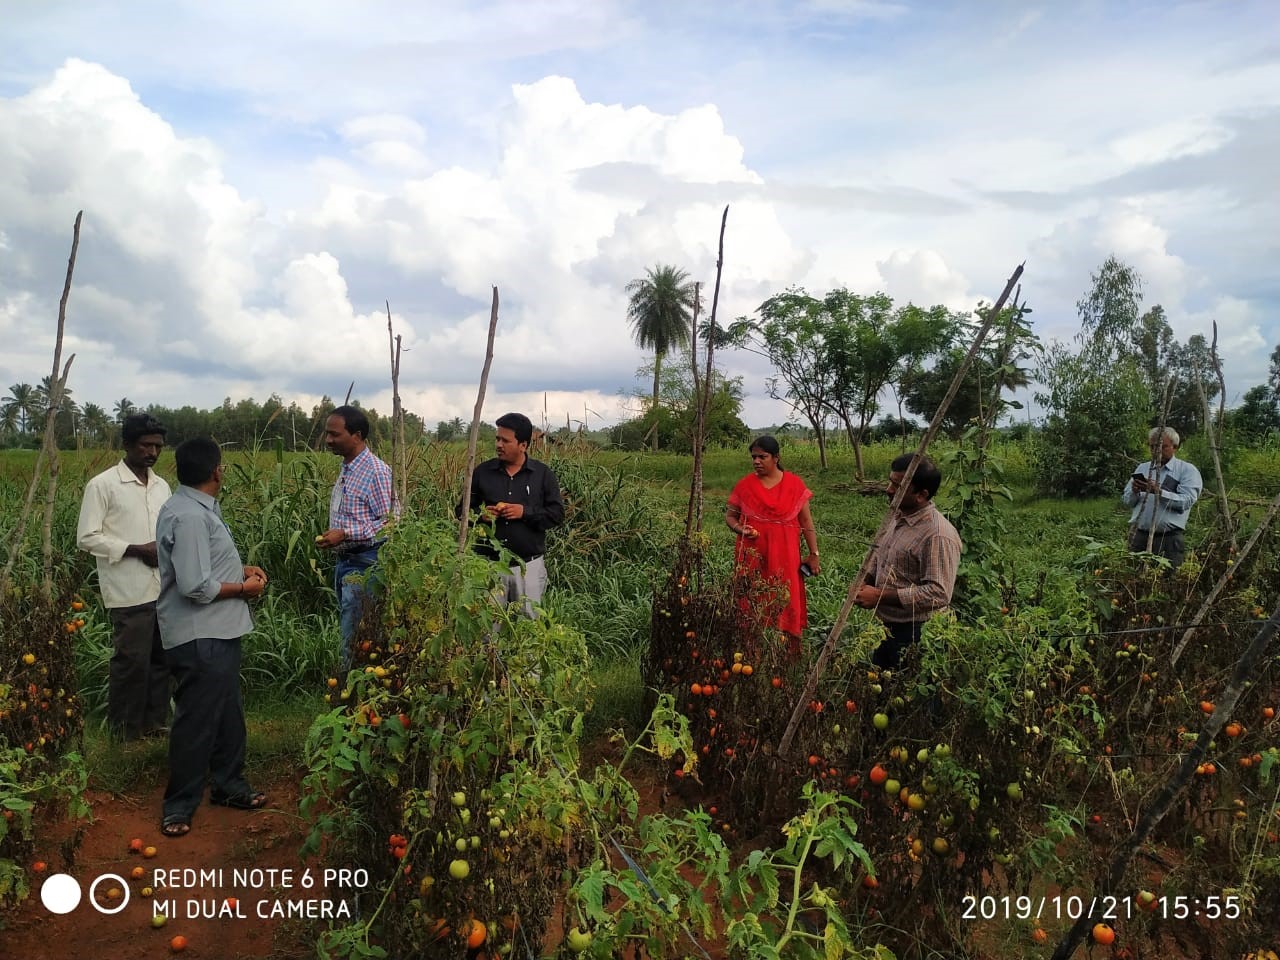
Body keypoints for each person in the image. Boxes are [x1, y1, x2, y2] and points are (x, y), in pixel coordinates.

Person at [155, 438, 269, 836]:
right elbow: (195, 586)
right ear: (216, 471)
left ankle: (229, 785)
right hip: (200, 634)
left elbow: (203, 565)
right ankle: (179, 806)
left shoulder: (196, 508)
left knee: (226, 715)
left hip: (217, 631)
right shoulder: (189, 516)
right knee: (197, 720)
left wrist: (241, 568)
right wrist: (244, 589)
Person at [76, 413, 173, 741]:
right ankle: (125, 734)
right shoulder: (103, 485)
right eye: (146, 445)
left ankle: (155, 725)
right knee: (131, 663)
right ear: (128, 444)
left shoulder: (162, 487)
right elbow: (87, 537)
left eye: (158, 446)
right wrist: (135, 549)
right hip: (129, 588)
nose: (153, 453)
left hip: (163, 587)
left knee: (161, 660)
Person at [855, 453, 961, 669]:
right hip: (885, 627)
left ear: (921, 495)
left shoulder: (937, 535)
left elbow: (938, 593)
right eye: (890, 482)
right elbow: (882, 554)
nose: (888, 489)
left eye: (898, 486)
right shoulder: (898, 516)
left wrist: (879, 596)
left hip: (916, 633)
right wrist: (866, 580)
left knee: (908, 692)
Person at [315, 405, 395, 670]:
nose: (328, 440)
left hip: (366, 564)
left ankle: (351, 696)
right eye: (328, 434)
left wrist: (346, 533)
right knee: (352, 631)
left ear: (357, 436)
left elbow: (391, 522)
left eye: (335, 434)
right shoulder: (347, 468)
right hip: (346, 561)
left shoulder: (376, 472)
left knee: (357, 636)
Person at [725, 436, 819, 656]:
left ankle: (790, 660)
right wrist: (740, 529)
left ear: (776, 458)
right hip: (752, 555)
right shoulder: (745, 485)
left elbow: (806, 522)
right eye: (754, 457)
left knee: (788, 599)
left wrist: (814, 553)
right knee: (751, 601)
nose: (756, 461)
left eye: (762, 457)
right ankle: (750, 655)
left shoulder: (794, 485)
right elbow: (730, 517)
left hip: (786, 556)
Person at [467, 412, 565, 618]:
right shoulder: (482, 473)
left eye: (505, 440)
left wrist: (524, 512)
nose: (499, 445)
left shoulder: (542, 475)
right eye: (497, 439)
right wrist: (481, 516)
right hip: (489, 566)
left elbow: (556, 514)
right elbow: (462, 511)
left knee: (529, 631)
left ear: (523, 445)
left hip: (527, 567)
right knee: (488, 632)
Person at [1122, 426, 1202, 567]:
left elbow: (1187, 501)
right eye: (1152, 447)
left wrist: (1158, 492)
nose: (1156, 451)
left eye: (1162, 447)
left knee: (1167, 581)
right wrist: (1134, 491)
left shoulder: (1186, 470)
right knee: (1133, 577)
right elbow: (1127, 500)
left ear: (1175, 447)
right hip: (1139, 537)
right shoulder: (1143, 468)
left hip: (1168, 540)